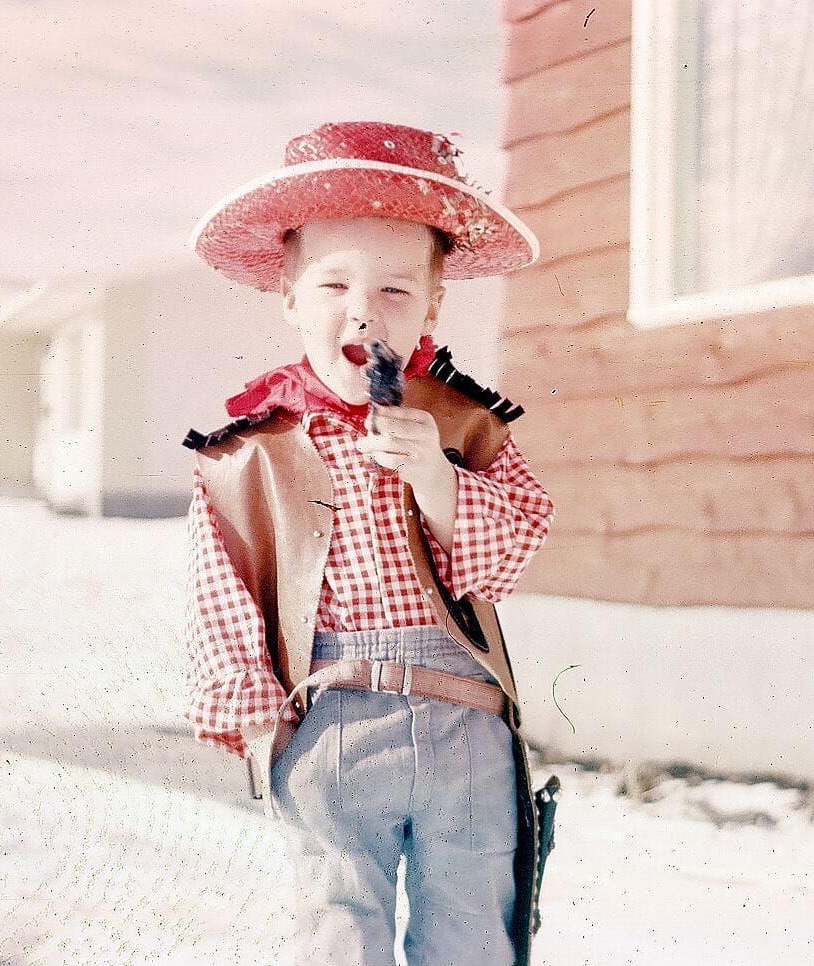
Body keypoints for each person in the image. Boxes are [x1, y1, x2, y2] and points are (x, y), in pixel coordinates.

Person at [182, 121, 557, 966]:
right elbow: (223, 588)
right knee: (336, 929)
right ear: (288, 295)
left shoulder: (462, 423)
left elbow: (514, 551)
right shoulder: (249, 451)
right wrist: (254, 716)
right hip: (330, 714)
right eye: (333, 285)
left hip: (464, 721)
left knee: (471, 930)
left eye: (395, 290)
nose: (363, 310)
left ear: (433, 303)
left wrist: (439, 479)